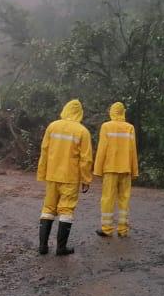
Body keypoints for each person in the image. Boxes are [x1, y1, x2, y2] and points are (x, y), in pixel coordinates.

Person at [37, 99, 93, 256]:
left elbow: (45, 151)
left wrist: (42, 173)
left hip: (52, 175)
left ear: (65, 109)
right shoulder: (82, 131)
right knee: (66, 210)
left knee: (48, 208)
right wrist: (86, 179)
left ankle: (43, 246)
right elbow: (86, 159)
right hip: (70, 177)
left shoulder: (52, 126)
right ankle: (61, 248)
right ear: (79, 113)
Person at [93, 101, 138, 238]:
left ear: (111, 112)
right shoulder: (130, 128)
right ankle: (123, 230)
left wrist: (97, 170)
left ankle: (107, 229)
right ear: (123, 112)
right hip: (126, 169)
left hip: (110, 169)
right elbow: (133, 150)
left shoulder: (106, 127)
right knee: (124, 199)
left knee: (107, 199)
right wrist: (134, 171)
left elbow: (102, 149)